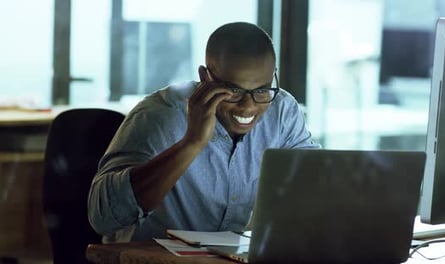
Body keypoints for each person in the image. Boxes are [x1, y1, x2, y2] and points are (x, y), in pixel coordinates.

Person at [88, 21, 320, 242]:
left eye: (261, 90)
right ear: (205, 77)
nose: (248, 106)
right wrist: (192, 143)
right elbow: (104, 217)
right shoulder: (158, 116)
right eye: (233, 90)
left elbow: (315, 183)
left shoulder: (281, 111)